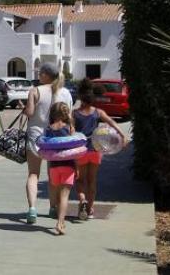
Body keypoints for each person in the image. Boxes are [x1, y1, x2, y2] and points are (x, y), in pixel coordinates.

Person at [23, 62, 73, 224]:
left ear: (45, 75)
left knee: (33, 174)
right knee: (53, 174)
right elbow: (69, 117)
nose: (38, 76)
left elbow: (30, 112)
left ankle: (32, 208)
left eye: (40, 73)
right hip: (56, 139)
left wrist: (24, 109)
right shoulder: (65, 92)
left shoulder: (35, 91)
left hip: (36, 136)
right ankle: (52, 207)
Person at [74, 79, 129, 220]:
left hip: (80, 151)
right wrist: (122, 135)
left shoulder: (74, 114)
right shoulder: (98, 112)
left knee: (80, 181)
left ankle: (82, 200)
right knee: (92, 181)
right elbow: (111, 122)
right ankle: (90, 210)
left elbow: (70, 132)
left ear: (80, 97)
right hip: (95, 150)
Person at [42, 102, 77, 235]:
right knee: (64, 196)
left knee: (57, 195)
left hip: (54, 166)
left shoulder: (48, 129)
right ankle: (60, 222)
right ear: (66, 114)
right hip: (68, 165)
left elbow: (46, 147)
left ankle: (58, 217)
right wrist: (77, 167)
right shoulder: (69, 128)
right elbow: (74, 149)